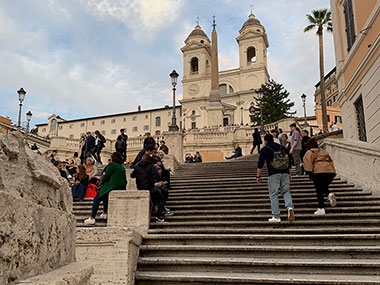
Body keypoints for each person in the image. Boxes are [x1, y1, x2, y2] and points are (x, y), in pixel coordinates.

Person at [257, 134, 294, 223]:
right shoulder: (281, 147)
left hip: (273, 173)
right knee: (286, 191)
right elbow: (289, 160)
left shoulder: (265, 149)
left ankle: (276, 216)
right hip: (285, 172)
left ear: (265, 141)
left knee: (273, 194)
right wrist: (289, 173)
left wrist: (258, 176)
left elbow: (260, 163)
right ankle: (290, 207)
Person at [84, 152, 127, 225]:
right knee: (105, 198)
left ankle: (92, 218)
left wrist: (100, 184)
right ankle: (105, 212)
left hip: (111, 186)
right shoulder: (121, 167)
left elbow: (106, 176)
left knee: (96, 199)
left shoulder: (112, 165)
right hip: (120, 186)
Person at [303, 138, 337, 215]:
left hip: (318, 171)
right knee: (323, 187)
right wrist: (333, 172)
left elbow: (307, 162)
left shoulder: (310, 152)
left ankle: (321, 208)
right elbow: (331, 161)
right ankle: (329, 194)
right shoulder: (324, 152)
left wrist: (309, 172)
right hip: (329, 171)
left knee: (319, 190)